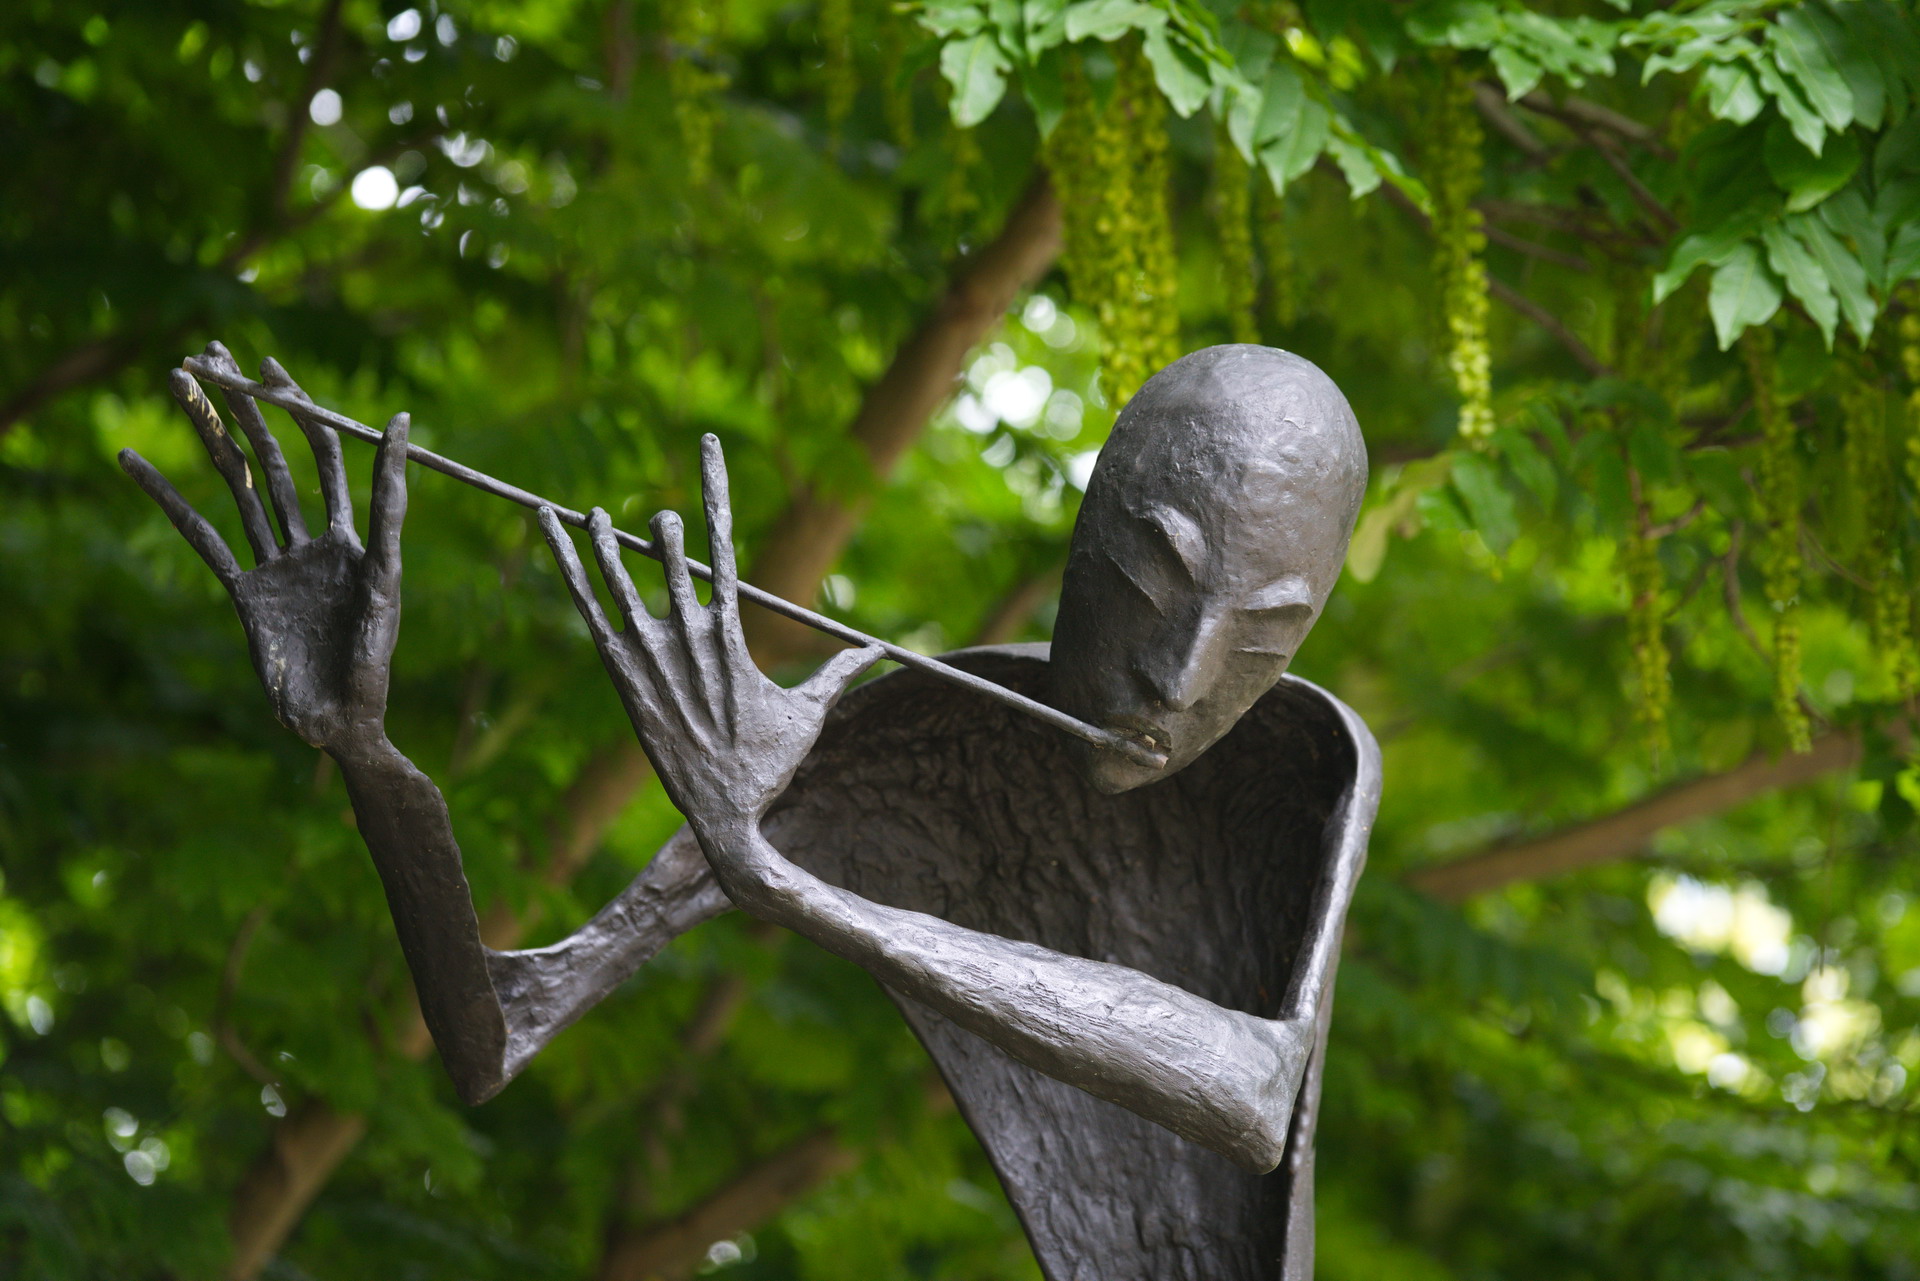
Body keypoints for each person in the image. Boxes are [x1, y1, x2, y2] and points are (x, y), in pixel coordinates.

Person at [123, 342, 1379, 1281]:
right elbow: (493, 1035)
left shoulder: (1304, 764)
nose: (1181, 677)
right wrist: (370, 756)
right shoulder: (885, 742)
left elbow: (1255, 1093)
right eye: (1152, 583)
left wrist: (785, 886)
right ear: (1086, 534)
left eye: (1263, 640)